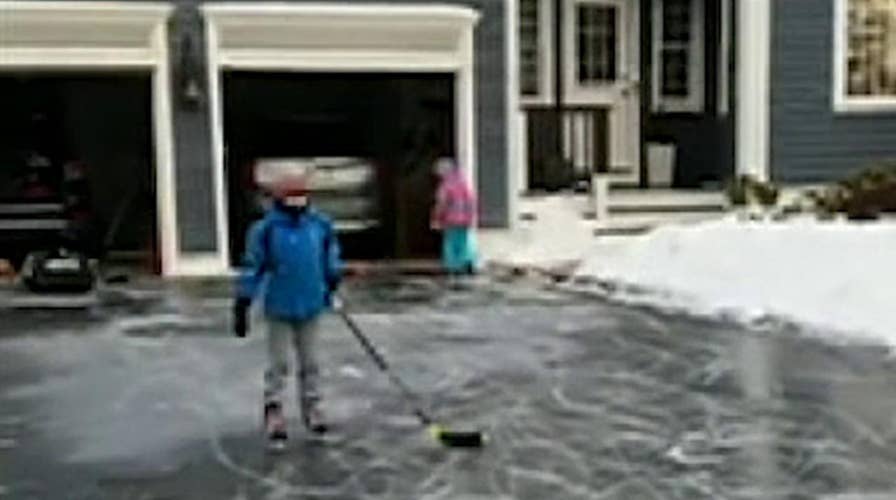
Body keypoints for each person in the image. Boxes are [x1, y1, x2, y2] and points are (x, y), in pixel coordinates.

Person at [233, 171, 343, 446]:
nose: (297, 200)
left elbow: (329, 255)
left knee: (311, 361)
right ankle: (274, 408)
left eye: (302, 195)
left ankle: (313, 407)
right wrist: (244, 300)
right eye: (291, 195)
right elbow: (253, 265)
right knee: (279, 363)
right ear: (278, 198)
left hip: (311, 302)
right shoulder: (266, 230)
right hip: (280, 305)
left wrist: (332, 279)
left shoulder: (319, 225)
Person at [430, 158, 478, 277]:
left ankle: (453, 266)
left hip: (451, 219)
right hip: (465, 218)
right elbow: (471, 200)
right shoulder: (463, 183)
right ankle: (467, 262)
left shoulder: (446, 186)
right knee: (464, 241)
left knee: (451, 242)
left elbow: (442, 203)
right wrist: (471, 215)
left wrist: (436, 218)